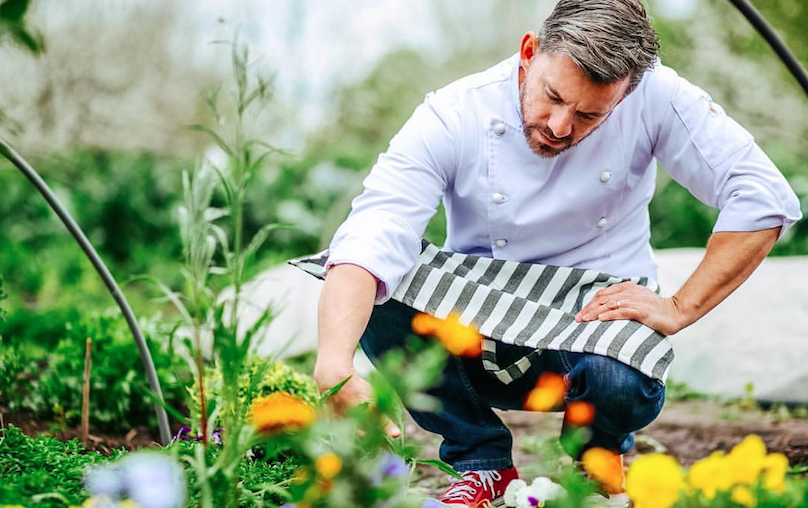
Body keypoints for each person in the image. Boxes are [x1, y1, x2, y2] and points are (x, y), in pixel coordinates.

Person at [312, 0, 802, 505]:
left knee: (620, 378)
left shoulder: (657, 96)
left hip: (595, 324)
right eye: (552, 97)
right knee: (377, 286)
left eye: (590, 114)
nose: (561, 126)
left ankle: (597, 459)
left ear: (627, 94)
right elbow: (375, 230)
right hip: (475, 331)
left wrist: (680, 307)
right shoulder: (455, 111)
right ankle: (480, 462)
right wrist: (334, 363)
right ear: (529, 52)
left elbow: (762, 195)